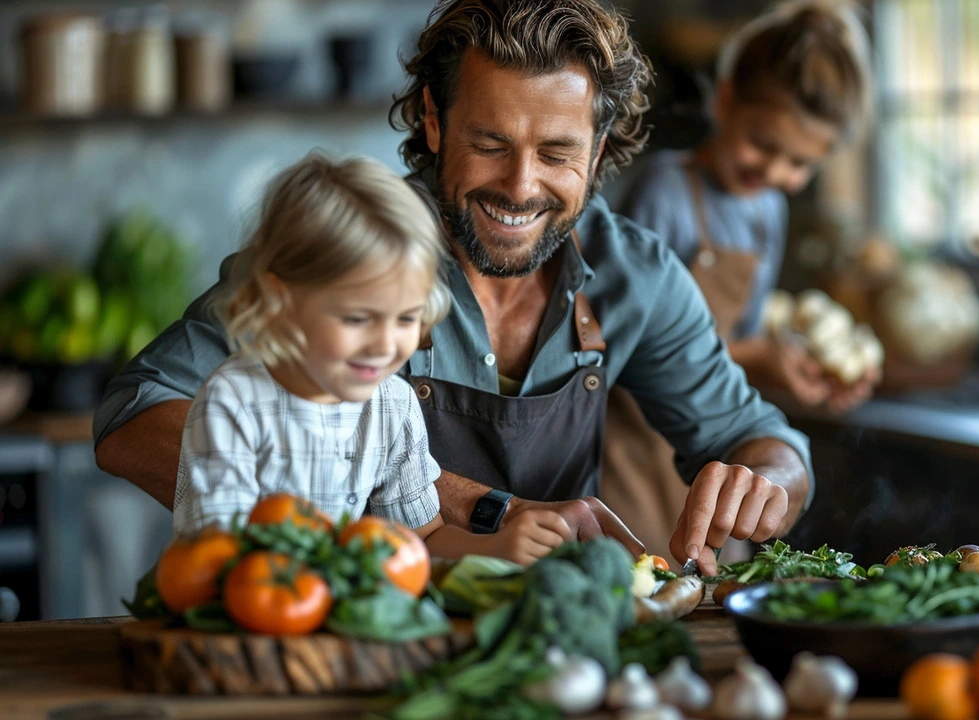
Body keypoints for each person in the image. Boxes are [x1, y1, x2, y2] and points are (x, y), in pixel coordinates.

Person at [93, 0, 815, 576]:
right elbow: (133, 418)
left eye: (557, 153)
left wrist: (766, 482)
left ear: (597, 153)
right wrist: (477, 509)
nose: (521, 187)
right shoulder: (349, 246)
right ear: (435, 123)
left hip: (547, 648)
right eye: (490, 144)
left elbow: (763, 440)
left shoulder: (637, 276)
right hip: (355, 631)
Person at [174, 154, 572, 564]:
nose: (384, 345)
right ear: (282, 300)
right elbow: (219, 560)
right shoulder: (234, 402)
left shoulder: (391, 407)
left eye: (405, 318)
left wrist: (495, 547)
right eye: (358, 318)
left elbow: (420, 543)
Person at [601, 0, 877, 563]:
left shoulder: (765, 209)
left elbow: (740, 343)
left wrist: (798, 367)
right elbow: (620, 343)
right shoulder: (666, 190)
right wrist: (760, 355)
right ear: (725, 101)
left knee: (714, 594)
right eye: (763, 145)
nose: (774, 172)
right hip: (636, 450)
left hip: (718, 460)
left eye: (798, 163)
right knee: (641, 587)